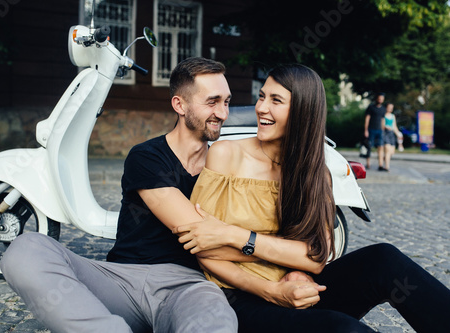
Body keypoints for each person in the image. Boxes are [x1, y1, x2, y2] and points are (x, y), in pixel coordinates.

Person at [173, 64, 450, 333]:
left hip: (299, 289)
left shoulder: (316, 173)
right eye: (261, 97)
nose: (261, 108)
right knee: (345, 328)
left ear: (302, 112)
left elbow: (316, 256)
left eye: (276, 100)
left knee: (384, 259)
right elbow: (202, 249)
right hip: (238, 298)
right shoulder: (226, 154)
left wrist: (234, 235)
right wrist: (274, 286)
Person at [0, 57, 238, 333]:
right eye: (212, 101)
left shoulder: (226, 167)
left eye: (227, 102)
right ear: (179, 105)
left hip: (188, 288)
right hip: (120, 282)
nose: (222, 113)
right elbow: (193, 230)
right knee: (26, 248)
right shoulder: (147, 156)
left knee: (216, 317)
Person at [364, 92, 387, 171]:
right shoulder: (371, 107)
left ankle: (380, 165)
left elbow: (383, 119)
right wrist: (366, 130)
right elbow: (367, 118)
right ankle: (368, 164)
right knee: (369, 147)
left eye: (382, 99)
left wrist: (383, 129)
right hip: (371, 129)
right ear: (377, 98)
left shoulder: (383, 109)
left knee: (381, 147)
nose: (380, 100)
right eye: (379, 98)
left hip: (379, 130)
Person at [383, 103, 403, 171]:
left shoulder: (392, 116)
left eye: (392, 107)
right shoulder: (383, 115)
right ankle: (387, 167)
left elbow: (394, 126)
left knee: (391, 152)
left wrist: (398, 134)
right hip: (385, 133)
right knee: (388, 150)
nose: (391, 108)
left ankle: (384, 158)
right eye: (389, 107)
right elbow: (381, 125)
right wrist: (386, 127)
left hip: (392, 134)